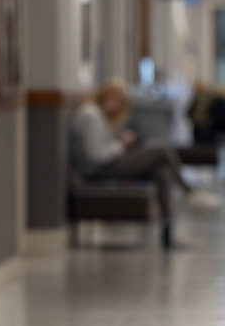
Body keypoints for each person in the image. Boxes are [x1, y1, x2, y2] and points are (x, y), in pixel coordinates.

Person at [71, 77, 192, 248]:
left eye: (120, 103)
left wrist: (118, 142)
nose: (115, 106)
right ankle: (187, 190)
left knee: (162, 171)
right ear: (103, 95)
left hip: (107, 164)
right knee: (161, 150)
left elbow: (102, 146)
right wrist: (120, 145)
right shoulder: (90, 115)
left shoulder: (98, 115)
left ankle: (167, 230)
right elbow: (96, 156)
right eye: (113, 99)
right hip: (98, 169)